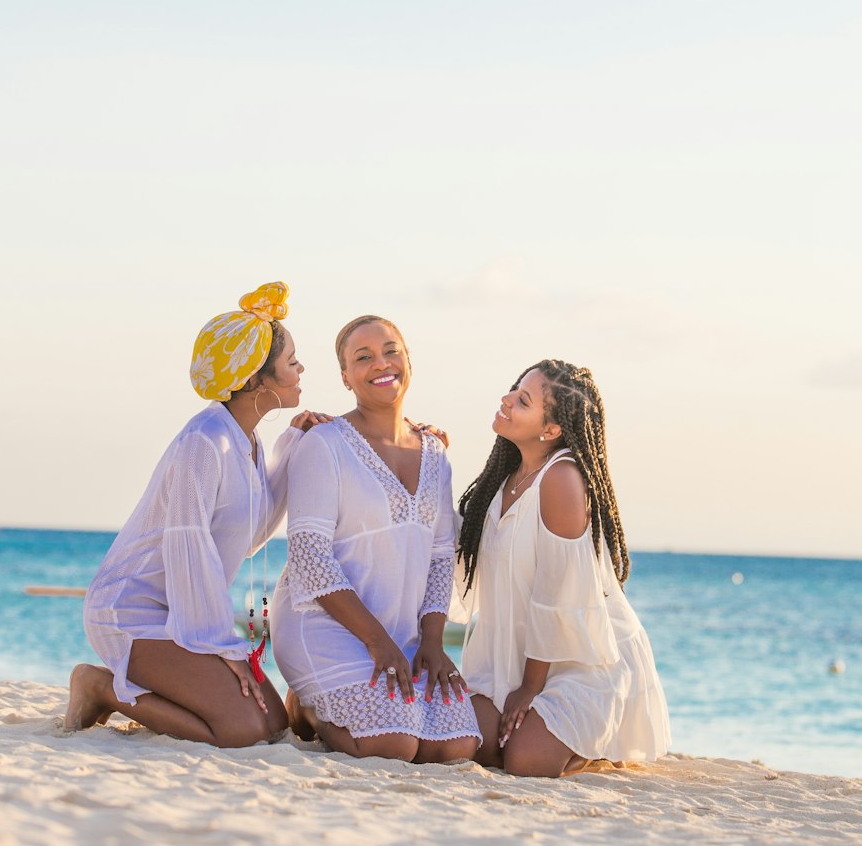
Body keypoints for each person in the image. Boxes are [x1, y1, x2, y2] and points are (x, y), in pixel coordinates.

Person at [64, 282, 325, 746]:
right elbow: (190, 548)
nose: (301, 367)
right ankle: (100, 686)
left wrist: (294, 443)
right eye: (291, 361)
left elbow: (247, 533)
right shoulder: (203, 442)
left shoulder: (245, 439)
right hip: (131, 612)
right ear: (254, 381)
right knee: (240, 730)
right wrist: (219, 646)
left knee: (273, 726)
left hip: (179, 614)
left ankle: (138, 684)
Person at [270, 316, 480, 763]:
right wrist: (376, 642)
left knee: (455, 747)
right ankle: (306, 707)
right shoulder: (323, 444)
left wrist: (432, 641)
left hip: (404, 635)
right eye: (362, 358)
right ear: (346, 377)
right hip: (325, 625)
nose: (380, 364)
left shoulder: (435, 453)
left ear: (408, 360)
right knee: (392, 746)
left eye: (391, 351)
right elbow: (310, 559)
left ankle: (337, 701)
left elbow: (442, 556)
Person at [454, 360, 670, 778]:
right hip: (508, 660)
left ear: (551, 430)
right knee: (471, 746)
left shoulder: (562, 480)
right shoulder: (505, 477)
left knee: (526, 761)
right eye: (514, 388)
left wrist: (530, 690)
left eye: (523, 400)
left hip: (579, 662)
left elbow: (557, 595)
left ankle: (596, 744)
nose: (507, 399)